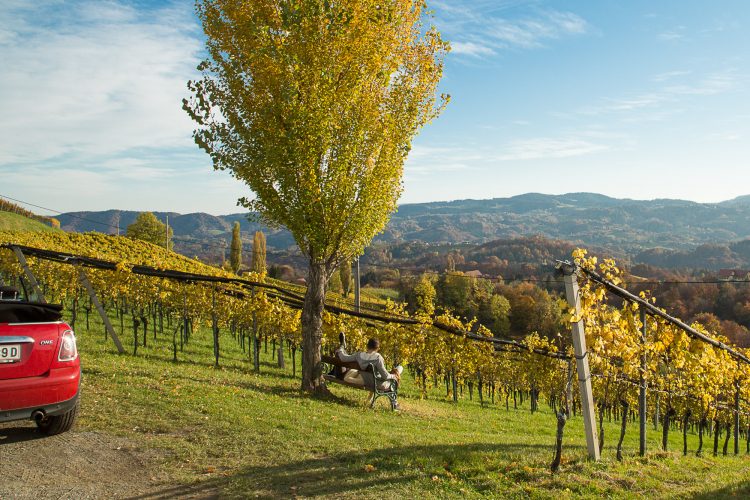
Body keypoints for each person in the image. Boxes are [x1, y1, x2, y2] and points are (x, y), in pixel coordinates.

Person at [335, 338, 402, 391]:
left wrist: (340, 349)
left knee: (398, 369)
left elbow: (344, 358)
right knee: (399, 368)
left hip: (364, 378)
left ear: (367, 346)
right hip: (377, 382)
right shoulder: (378, 358)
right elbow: (385, 376)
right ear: (377, 348)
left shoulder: (359, 355)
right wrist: (393, 376)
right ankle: (395, 403)